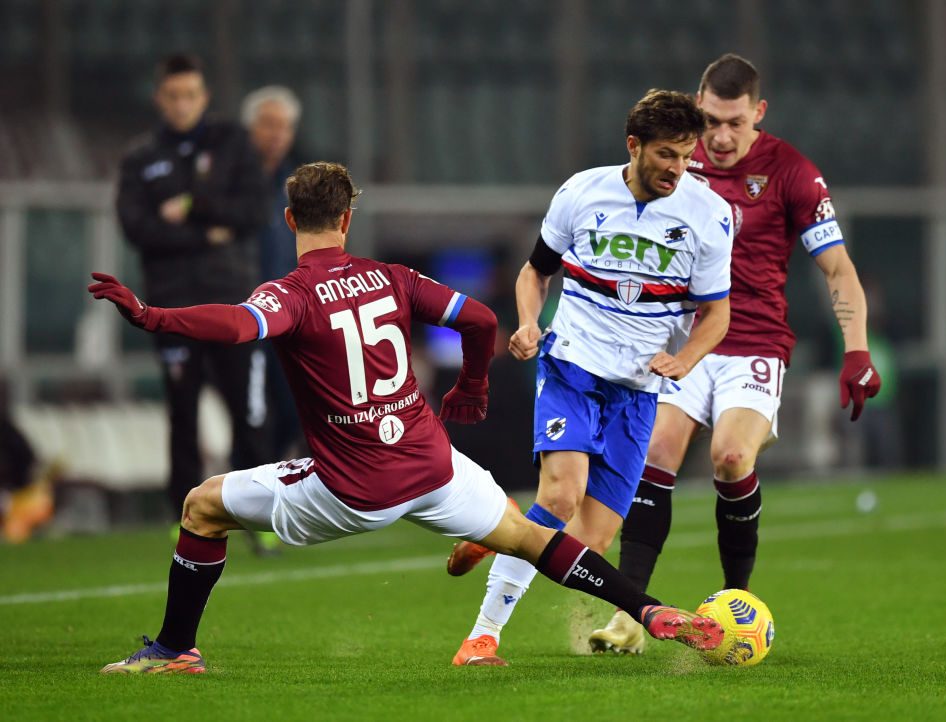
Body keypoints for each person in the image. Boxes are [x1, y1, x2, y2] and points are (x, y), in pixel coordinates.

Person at [91, 161, 723, 674]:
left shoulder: (288, 294)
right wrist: (472, 388)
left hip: (351, 489)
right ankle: (650, 609)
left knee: (204, 505)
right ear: (347, 219)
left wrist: (153, 316)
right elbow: (479, 319)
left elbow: (234, 325)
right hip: (435, 467)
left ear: (290, 220)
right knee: (533, 536)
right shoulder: (391, 278)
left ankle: (176, 650)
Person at [589, 54, 883, 655]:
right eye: (711, 120)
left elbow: (838, 268)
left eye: (735, 122)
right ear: (698, 108)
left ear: (758, 113)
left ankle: (734, 604)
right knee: (655, 452)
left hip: (753, 342)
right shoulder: (676, 161)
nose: (720, 137)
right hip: (684, 343)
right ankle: (632, 616)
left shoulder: (793, 172)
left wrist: (857, 350)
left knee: (728, 458)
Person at [445, 90, 734, 666]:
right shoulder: (581, 192)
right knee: (561, 493)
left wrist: (687, 358)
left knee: (590, 540)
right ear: (634, 146)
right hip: (572, 365)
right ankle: (482, 638)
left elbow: (718, 314)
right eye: (666, 155)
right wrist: (528, 323)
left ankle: (499, 530)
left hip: (640, 390)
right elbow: (535, 272)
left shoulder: (710, 215)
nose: (678, 168)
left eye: (685, 155)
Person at [116, 53, 271, 524]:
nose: (182, 104)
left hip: (231, 303)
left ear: (203, 97)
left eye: (190, 95)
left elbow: (253, 215)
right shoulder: (141, 158)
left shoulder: (234, 144)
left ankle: (258, 517)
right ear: (160, 99)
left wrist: (190, 205)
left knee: (246, 410)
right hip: (173, 306)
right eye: (173, 96)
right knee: (182, 414)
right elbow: (136, 228)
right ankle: (185, 515)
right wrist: (207, 231)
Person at [241, 85, 304, 460]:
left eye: (285, 126)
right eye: (268, 124)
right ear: (250, 128)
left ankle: (272, 487)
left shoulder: (295, 188)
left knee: (292, 410)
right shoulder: (230, 183)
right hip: (245, 317)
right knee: (251, 415)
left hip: (287, 318)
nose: (277, 134)